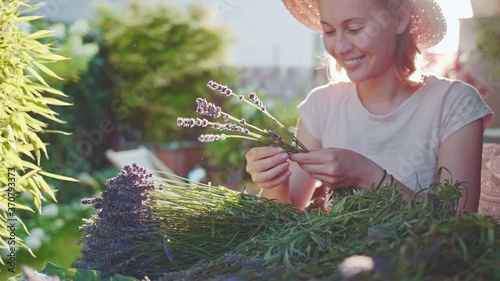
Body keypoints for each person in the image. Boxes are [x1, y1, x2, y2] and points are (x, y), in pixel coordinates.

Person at [245, 0, 494, 212]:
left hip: (421, 266)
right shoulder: (321, 105)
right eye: (329, 32)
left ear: (400, 19)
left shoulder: (453, 103)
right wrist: (274, 181)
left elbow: (458, 225)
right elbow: (283, 220)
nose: (340, 48)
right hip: (336, 266)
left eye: (355, 29)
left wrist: (371, 177)